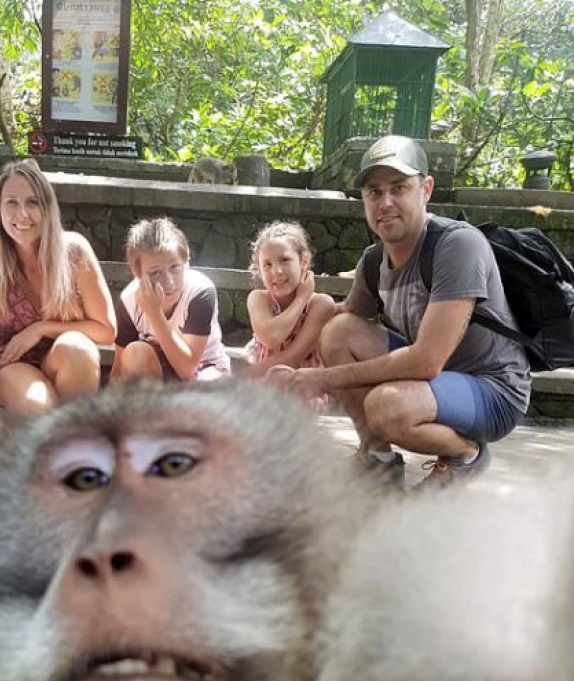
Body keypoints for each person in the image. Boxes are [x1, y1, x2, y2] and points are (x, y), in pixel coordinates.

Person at [289, 135, 531, 488]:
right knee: (338, 331)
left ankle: (465, 455)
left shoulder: (457, 244)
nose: (385, 202)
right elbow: (341, 325)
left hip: (492, 390)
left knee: (385, 407)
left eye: (399, 187)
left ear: (426, 189)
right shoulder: (374, 261)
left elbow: (426, 361)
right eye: (374, 192)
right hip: (436, 381)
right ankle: (379, 459)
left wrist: (319, 380)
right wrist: (286, 347)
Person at [0, 159, 115, 421]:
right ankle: (32, 428)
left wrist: (41, 329)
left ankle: (58, 443)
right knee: (42, 409)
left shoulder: (75, 252)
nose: (22, 214)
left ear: (48, 208)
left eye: (32, 202)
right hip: (9, 363)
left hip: (62, 360)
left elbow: (105, 329)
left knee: (77, 347)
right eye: (11, 203)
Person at [111, 217, 231, 383]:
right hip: (158, 371)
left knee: (203, 385)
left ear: (187, 262)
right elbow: (118, 370)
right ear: (138, 274)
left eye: (175, 268)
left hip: (204, 369)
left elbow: (187, 369)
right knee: (134, 353)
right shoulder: (129, 301)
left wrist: (155, 314)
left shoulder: (200, 292)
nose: (169, 282)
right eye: (155, 273)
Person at [244, 220, 335, 392]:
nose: (276, 271)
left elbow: (292, 358)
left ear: (304, 262)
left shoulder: (321, 304)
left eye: (285, 260)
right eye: (267, 264)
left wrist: (302, 298)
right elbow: (271, 336)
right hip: (258, 384)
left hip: (299, 388)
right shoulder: (258, 299)